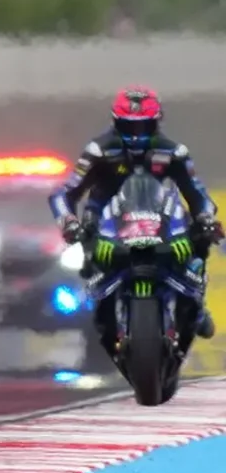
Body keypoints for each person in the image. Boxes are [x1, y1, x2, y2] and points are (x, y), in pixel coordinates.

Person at [53, 86, 220, 341]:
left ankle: (197, 305)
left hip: (162, 218)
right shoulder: (98, 150)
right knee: (81, 261)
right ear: (115, 122)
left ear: (156, 123)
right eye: (129, 126)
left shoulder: (174, 152)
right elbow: (64, 193)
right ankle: (95, 306)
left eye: (144, 127)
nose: (136, 135)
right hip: (105, 222)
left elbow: (197, 193)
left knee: (201, 238)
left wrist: (206, 219)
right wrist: (69, 223)